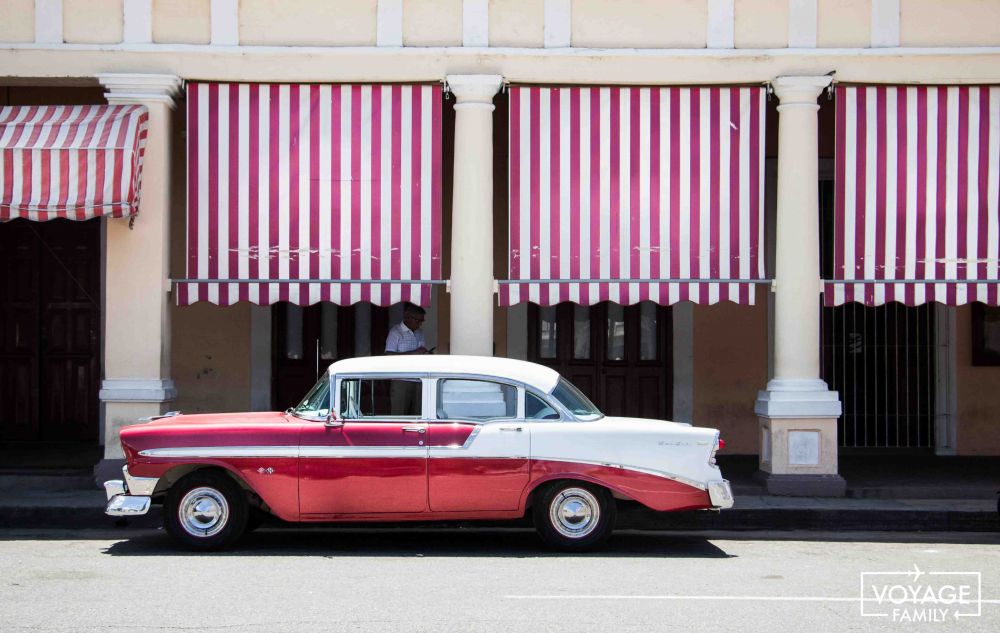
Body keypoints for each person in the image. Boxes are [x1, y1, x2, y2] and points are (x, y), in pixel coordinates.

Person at [385, 303, 429, 415]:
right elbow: (388, 356)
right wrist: (415, 353)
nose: (420, 324)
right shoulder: (396, 332)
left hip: (419, 379)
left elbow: (421, 352)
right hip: (401, 380)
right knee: (399, 414)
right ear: (407, 317)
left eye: (422, 321)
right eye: (418, 321)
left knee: (419, 414)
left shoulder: (420, 333)